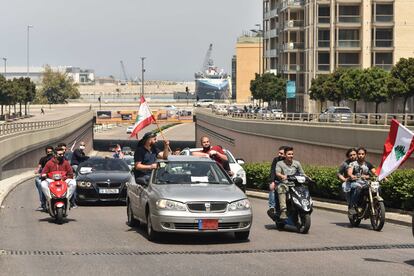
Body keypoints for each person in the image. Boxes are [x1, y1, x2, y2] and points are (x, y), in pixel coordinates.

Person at [276, 146, 305, 220]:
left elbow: (302, 173)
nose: (291, 156)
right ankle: (283, 211)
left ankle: (305, 207)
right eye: (289, 154)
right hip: (285, 184)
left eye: (292, 154)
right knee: (281, 188)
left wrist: (309, 178)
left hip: (296, 185)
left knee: (305, 189)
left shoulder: (297, 163)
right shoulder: (280, 163)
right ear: (285, 155)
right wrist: (282, 176)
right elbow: (277, 173)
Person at [347, 147, 376, 215]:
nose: (361, 155)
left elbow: (375, 172)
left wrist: (383, 177)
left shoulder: (368, 164)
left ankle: (375, 204)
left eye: (362, 154)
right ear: (357, 154)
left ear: (365, 155)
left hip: (366, 183)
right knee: (358, 188)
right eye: (359, 154)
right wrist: (351, 175)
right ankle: (352, 207)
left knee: (377, 188)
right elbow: (349, 172)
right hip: (355, 182)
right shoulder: (353, 164)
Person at [267, 146, 287, 220]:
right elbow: (272, 171)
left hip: (287, 182)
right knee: (272, 188)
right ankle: (272, 208)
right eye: (279, 153)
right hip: (277, 181)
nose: (279, 154)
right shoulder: (276, 160)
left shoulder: (289, 161)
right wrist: (271, 182)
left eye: (281, 153)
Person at [34, 145, 54, 211]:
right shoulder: (43, 159)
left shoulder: (55, 159)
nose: (50, 153)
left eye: (51, 152)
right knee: (39, 183)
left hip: (53, 177)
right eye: (48, 152)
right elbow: (39, 167)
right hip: (44, 176)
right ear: (46, 152)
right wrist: (37, 170)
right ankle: (43, 203)